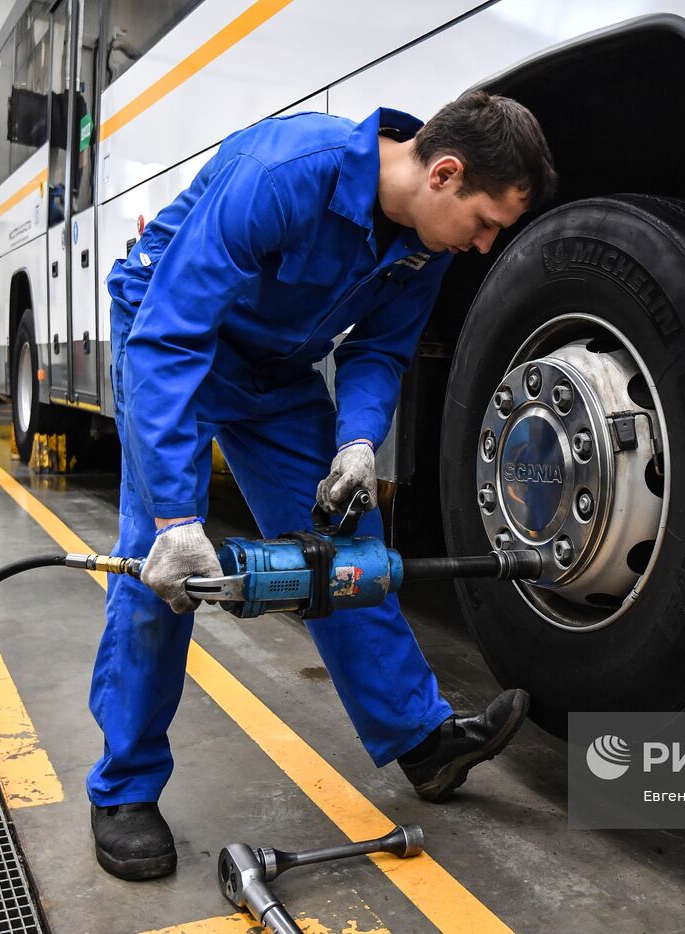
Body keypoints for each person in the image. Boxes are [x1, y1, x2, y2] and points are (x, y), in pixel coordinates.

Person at [89, 92, 557, 881]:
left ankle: (420, 741)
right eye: (485, 223)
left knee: (345, 551)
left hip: (272, 369)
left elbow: (378, 351)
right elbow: (171, 335)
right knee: (162, 569)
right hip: (172, 340)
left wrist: (358, 441)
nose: (482, 247)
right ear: (444, 173)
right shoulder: (284, 173)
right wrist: (176, 512)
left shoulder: (425, 243)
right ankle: (126, 790)